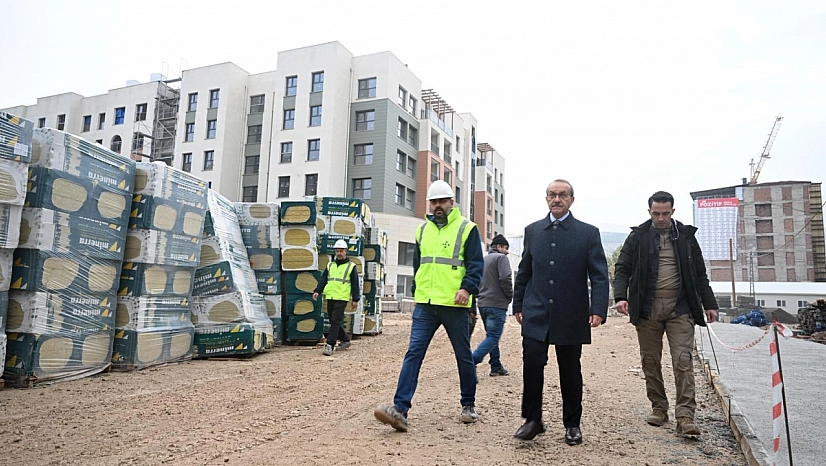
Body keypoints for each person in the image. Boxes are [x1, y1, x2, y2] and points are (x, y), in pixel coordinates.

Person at [374, 180, 484, 432]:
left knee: (463, 355)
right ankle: (400, 409)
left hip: (454, 304)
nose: (437, 206)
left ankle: (468, 404)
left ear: (451, 203)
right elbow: (418, 265)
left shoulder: (467, 229)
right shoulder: (422, 230)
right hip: (425, 304)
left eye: (442, 201)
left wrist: (467, 289)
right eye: (434, 202)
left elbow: (477, 264)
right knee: (414, 353)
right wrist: (416, 290)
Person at [613, 191, 718, 437]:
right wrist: (621, 296)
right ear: (649, 212)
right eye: (656, 213)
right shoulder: (637, 237)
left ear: (673, 211)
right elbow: (622, 269)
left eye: (665, 213)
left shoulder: (686, 238)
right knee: (650, 361)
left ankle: (686, 416)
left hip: (680, 308)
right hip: (648, 308)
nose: (661, 218)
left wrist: (709, 303)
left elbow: (699, 273)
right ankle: (659, 408)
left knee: (683, 360)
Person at [512, 179, 609, 445]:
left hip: (571, 312)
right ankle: (532, 420)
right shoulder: (533, 231)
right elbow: (525, 271)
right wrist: (518, 304)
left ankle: (573, 424)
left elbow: (599, 275)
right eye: (552, 195)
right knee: (532, 362)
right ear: (546, 199)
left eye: (562, 195)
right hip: (536, 309)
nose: (557, 199)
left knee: (569, 369)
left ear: (571, 199)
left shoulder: (587, 233)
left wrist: (598, 308)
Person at [472, 234, 513, 377]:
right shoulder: (501, 258)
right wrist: (509, 296)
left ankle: (496, 366)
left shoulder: (483, 260)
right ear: (498, 247)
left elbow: (475, 280)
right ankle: (471, 361)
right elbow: (505, 278)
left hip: (483, 304)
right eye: (506, 248)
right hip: (497, 304)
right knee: (493, 337)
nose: (507, 251)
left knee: (491, 336)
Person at [313, 239, 360, 356]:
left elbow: (355, 283)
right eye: (337, 251)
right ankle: (345, 340)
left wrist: (355, 299)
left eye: (341, 251)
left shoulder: (351, 266)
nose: (339, 253)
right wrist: (317, 291)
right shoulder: (330, 265)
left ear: (345, 252)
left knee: (334, 321)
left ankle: (330, 345)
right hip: (330, 296)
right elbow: (323, 279)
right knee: (335, 321)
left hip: (342, 298)